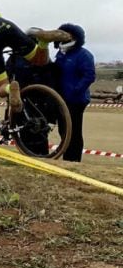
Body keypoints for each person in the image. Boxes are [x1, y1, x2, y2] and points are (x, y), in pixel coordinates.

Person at [55, 23, 96, 163]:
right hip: (61, 98)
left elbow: (89, 75)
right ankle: (67, 156)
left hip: (76, 100)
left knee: (74, 132)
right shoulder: (61, 53)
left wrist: (75, 91)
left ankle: (73, 160)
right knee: (63, 130)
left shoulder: (83, 55)